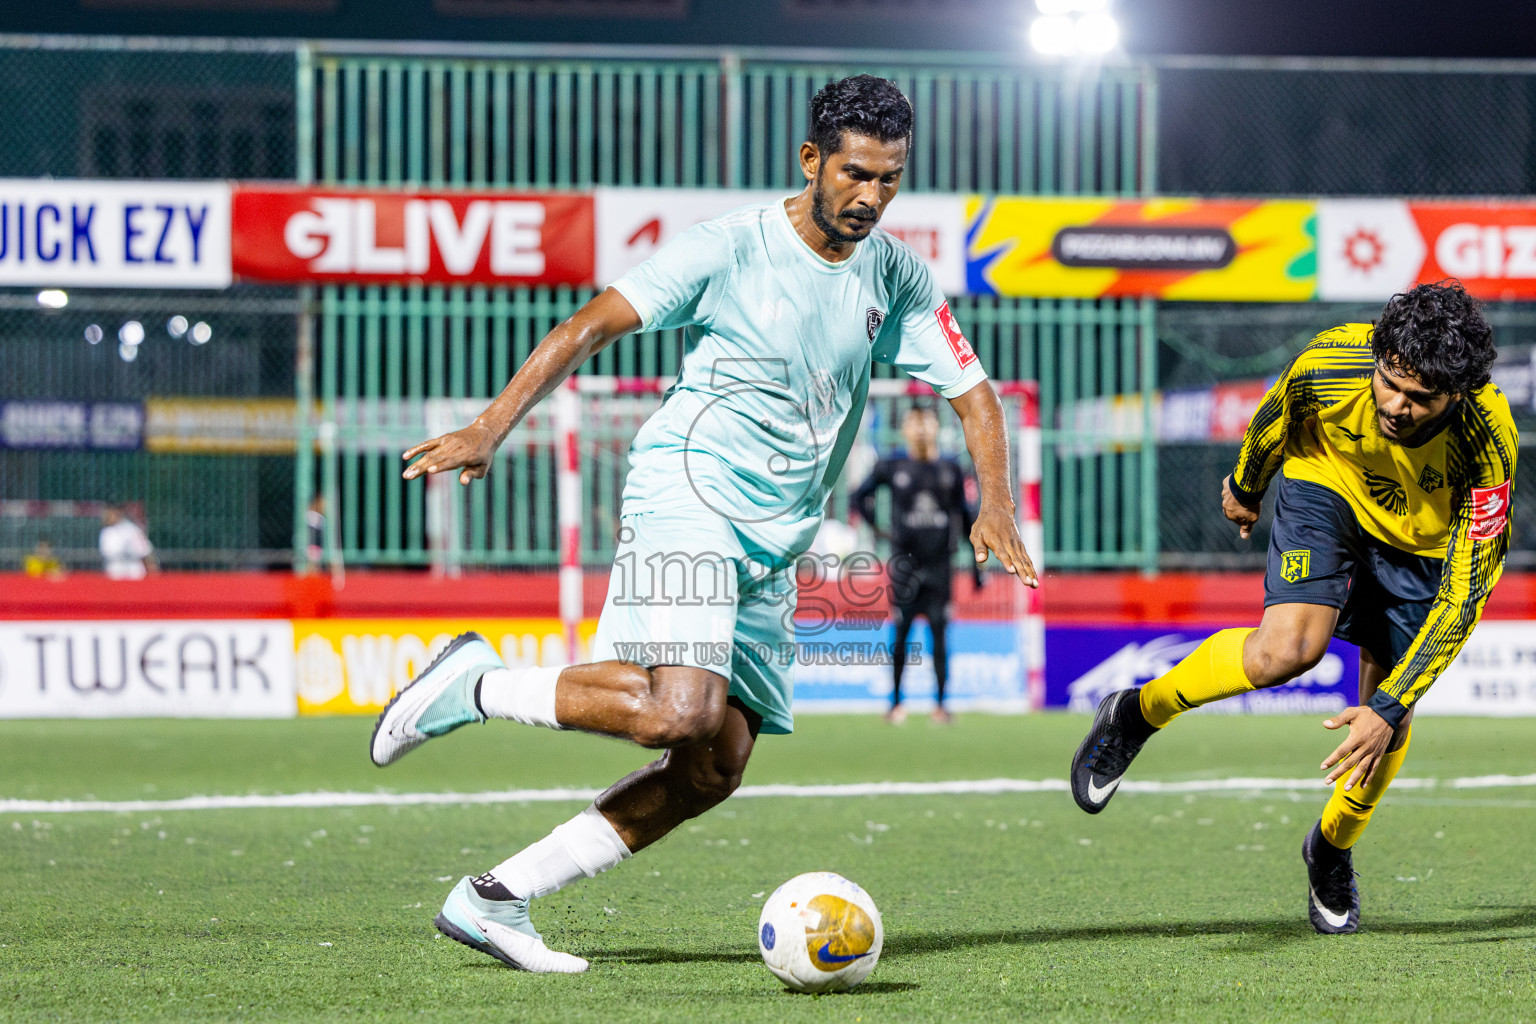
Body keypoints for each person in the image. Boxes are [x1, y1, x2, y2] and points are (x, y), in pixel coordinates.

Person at [370, 75, 1037, 973]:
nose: (871, 196)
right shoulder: (730, 248)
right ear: (811, 161)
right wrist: (492, 426)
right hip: (690, 488)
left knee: (714, 762)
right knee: (679, 711)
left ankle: (494, 898)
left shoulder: (896, 273)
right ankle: (477, 685)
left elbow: (973, 391)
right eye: (854, 173)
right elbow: (587, 326)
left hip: (775, 538)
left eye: (890, 178)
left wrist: (994, 499)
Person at [1069, 281, 1514, 935]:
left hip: (1419, 544)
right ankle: (1137, 713)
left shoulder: (1488, 440)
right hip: (1326, 485)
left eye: (1420, 399)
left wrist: (1388, 708)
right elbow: (1276, 419)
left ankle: (1330, 846)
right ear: (1381, 354)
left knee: (1390, 708)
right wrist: (1247, 487)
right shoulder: (1333, 361)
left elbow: (1468, 589)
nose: (1395, 404)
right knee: (1286, 653)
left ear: (1458, 394)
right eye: (1389, 381)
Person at [851, 401, 982, 724]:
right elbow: (858, 497)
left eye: (927, 421)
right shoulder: (893, 467)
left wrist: (978, 567)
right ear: (906, 429)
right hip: (905, 566)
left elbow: (966, 518)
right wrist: (880, 530)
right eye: (914, 422)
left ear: (936, 428)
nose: (921, 428)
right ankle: (895, 703)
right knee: (901, 634)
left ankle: (940, 704)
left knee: (939, 634)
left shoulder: (950, 469)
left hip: (940, 566)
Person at [98, 505, 156, 579]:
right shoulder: (106, 532)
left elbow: (145, 552)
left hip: (133, 572)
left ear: (118, 513)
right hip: (114, 572)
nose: (107, 516)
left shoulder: (131, 529)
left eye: (110, 513)